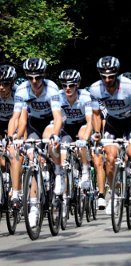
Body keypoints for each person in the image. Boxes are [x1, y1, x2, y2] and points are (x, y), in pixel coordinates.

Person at [9, 58, 63, 227]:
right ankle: (33, 207)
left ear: (43, 76)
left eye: (38, 77)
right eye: (30, 77)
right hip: (34, 122)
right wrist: (12, 138)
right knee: (31, 157)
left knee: (50, 141)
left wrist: (54, 136)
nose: (34, 81)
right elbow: (16, 118)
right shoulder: (22, 90)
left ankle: (58, 170)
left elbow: (58, 117)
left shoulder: (52, 88)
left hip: (51, 121)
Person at [89, 56, 131, 214]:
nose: (107, 80)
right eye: (104, 76)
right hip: (113, 123)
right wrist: (96, 133)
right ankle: (114, 195)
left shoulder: (128, 86)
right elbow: (95, 114)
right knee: (110, 157)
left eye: (111, 76)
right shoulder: (95, 89)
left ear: (116, 74)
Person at [58, 69, 92, 189]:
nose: (67, 88)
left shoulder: (85, 96)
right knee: (62, 146)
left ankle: (85, 171)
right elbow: (58, 120)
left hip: (82, 125)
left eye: (71, 85)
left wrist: (85, 139)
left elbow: (90, 121)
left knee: (82, 138)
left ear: (77, 85)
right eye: (64, 85)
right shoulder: (59, 96)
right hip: (67, 126)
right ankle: (62, 175)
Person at [0, 64, 23, 210]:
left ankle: (16, 190)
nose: (1, 87)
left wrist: (12, 138)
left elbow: (19, 118)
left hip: (14, 122)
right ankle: (6, 173)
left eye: (5, 84)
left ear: (12, 83)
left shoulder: (18, 94)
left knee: (13, 151)